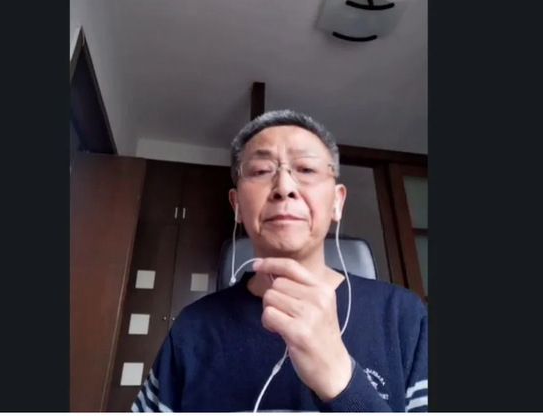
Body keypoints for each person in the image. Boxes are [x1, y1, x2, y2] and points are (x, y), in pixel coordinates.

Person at [132, 109, 428, 412]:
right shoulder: (192, 329)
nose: (284, 188)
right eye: (261, 170)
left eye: (307, 169)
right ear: (237, 205)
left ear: (337, 202)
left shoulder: (404, 316)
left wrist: (342, 381)